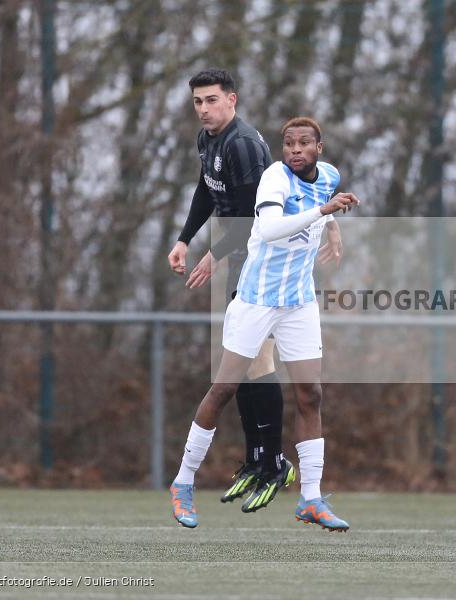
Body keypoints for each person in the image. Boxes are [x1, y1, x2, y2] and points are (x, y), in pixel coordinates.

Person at [171, 115, 357, 531]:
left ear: (318, 149)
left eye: (304, 143)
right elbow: (270, 229)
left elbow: (322, 197)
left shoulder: (328, 176)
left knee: (310, 394)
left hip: (299, 303)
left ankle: (311, 498)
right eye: (288, 142)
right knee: (223, 389)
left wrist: (333, 227)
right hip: (256, 300)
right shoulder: (274, 179)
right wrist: (323, 213)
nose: (294, 149)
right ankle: (183, 482)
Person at [167, 69, 303, 526]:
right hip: (241, 256)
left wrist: (213, 253)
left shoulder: (243, 144)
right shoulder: (208, 139)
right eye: (197, 102)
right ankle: (260, 459)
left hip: (265, 261)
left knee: (252, 363)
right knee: (246, 363)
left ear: (232, 100)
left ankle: (273, 462)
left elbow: (252, 217)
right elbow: (208, 189)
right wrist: (187, 238)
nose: (203, 108)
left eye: (211, 100)